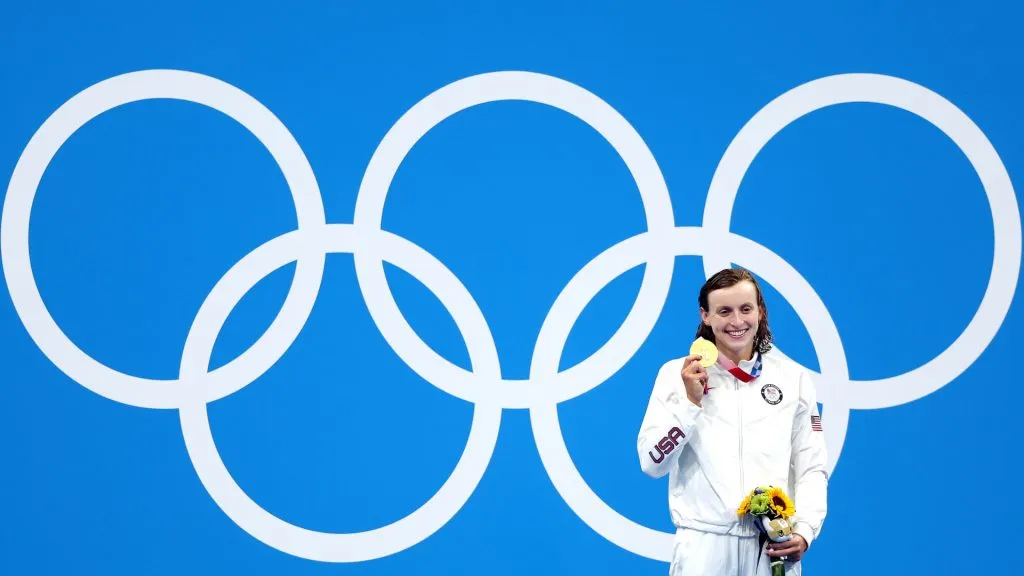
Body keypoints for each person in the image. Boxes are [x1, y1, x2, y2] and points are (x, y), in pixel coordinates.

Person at [637, 268, 828, 575]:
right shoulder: (676, 376)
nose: (737, 322)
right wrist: (690, 403)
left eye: (745, 309)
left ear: (760, 312)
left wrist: (805, 529)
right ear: (705, 316)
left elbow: (812, 466)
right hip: (704, 548)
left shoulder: (794, 379)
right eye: (724, 311)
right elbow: (651, 462)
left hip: (771, 548)